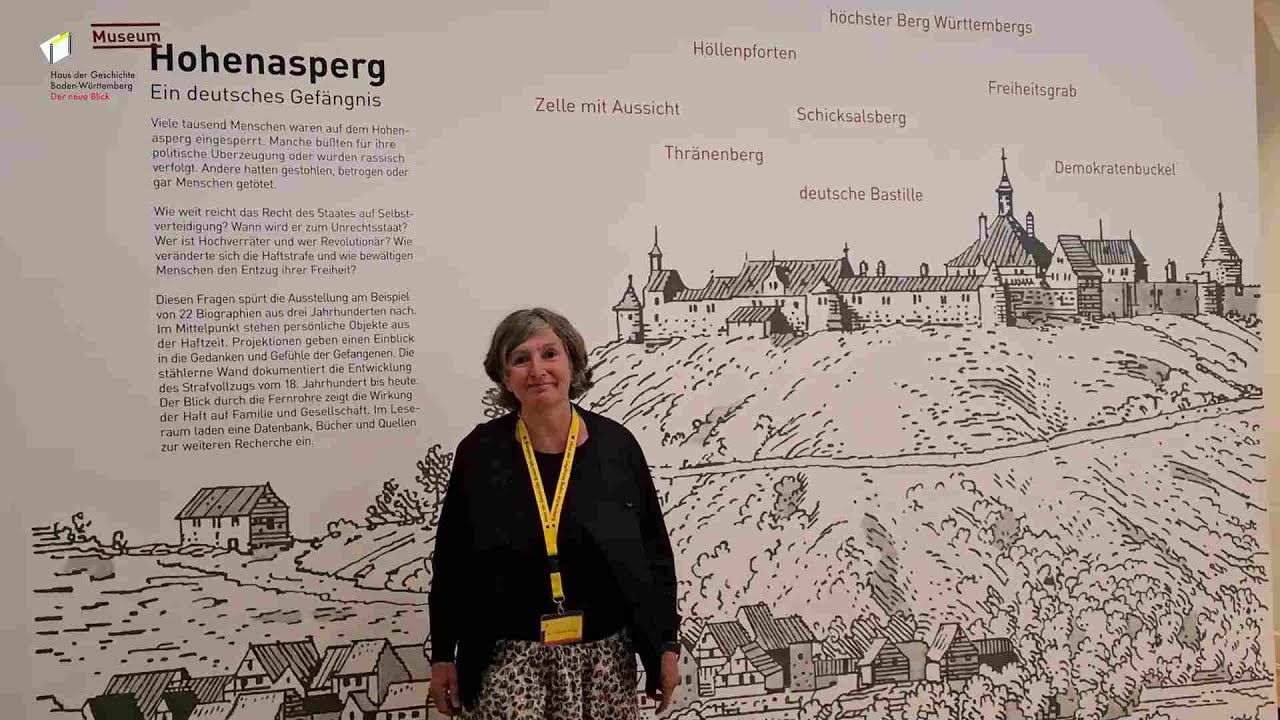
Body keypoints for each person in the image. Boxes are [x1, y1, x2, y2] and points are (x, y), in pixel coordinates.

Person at [428, 307, 681, 718]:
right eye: (520, 358)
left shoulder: (617, 447)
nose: (537, 370)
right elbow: (452, 562)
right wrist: (442, 654)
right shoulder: (479, 453)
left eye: (550, 354)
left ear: (572, 361)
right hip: (507, 661)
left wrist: (666, 645)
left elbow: (654, 555)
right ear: (504, 375)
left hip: (605, 661)